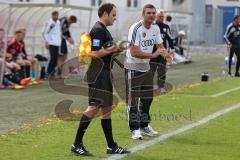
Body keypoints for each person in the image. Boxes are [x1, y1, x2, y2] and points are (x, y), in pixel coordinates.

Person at [72, 3, 129, 156]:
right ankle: (76, 144)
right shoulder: (98, 30)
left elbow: (106, 52)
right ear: (105, 13)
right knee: (93, 107)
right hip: (97, 74)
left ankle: (111, 146)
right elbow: (94, 54)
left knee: (106, 109)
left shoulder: (104, 30)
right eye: (114, 15)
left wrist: (117, 48)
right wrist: (114, 47)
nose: (115, 18)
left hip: (104, 73)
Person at [124, 4, 172, 140]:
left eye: (153, 13)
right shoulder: (136, 28)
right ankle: (135, 129)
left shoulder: (155, 28)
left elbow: (160, 46)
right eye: (149, 13)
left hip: (145, 68)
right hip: (133, 67)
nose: (151, 15)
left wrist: (167, 56)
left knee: (147, 99)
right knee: (133, 100)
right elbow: (134, 52)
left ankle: (144, 125)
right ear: (143, 14)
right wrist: (154, 55)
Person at [150, 10, 174, 93]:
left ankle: (161, 86)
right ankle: (149, 86)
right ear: (156, 17)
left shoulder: (166, 27)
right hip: (152, 53)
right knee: (151, 70)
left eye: (162, 17)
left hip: (163, 52)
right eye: (160, 16)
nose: (161, 18)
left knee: (162, 70)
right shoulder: (151, 26)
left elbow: (170, 39)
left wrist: (172, 49)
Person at [42, 11, 61, 78]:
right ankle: (47, 73)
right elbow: (44, 33)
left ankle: (52, 73)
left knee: (55, 59)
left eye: (57, 15)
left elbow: (58, 33)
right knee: (52, 58)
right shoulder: (49, 23)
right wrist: (46, 42)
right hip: (51, 43)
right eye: (55, 15)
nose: (56, 17)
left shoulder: (58, 22)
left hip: (57, 43)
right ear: (52, 16)